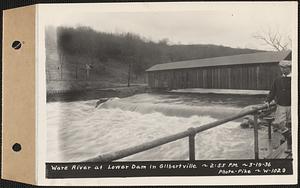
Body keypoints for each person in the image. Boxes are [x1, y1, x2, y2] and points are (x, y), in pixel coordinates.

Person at [265, 60, 291, 151]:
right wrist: (267, 101)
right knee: (279, 123)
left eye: (285, 68)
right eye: (281, 68)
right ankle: (290, 139)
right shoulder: (277, 79)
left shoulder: (295, 79)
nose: (283, 69)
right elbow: (272, 91)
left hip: (292, 106)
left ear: (289, 68)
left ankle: (290, 145)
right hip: (281, 105)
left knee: (291, 124)